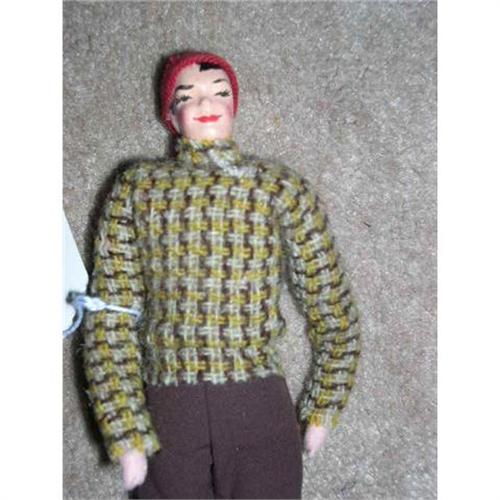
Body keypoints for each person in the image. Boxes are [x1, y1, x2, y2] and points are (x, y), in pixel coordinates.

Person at [83, 51, 361, 499]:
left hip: (258, 403)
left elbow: (331, 304)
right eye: (186, 96)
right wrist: (124, 425)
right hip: (169, 407)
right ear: (171, 115)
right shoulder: (137, 188)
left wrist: (324, 403)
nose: (205, 103)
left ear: (235, 105)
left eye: (219, 92)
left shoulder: (279, 188)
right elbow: (110, 312)